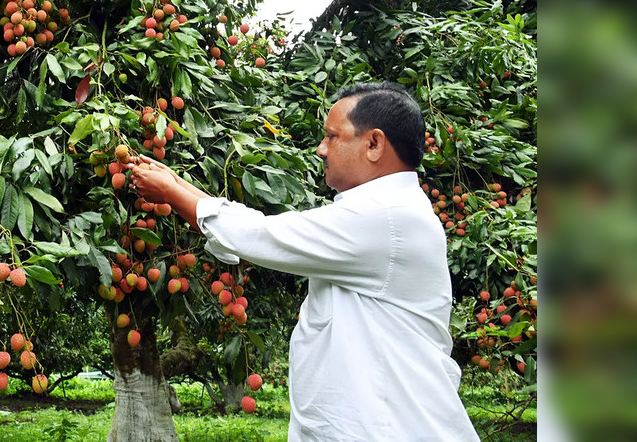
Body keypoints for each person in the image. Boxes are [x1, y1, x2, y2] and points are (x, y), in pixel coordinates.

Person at [128, 82, 479, 441]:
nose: (321, 149)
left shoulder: (386, 217)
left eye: (331, 136)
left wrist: (171, 191)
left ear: (374, 144)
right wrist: (175, 183)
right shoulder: (386, 212)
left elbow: (264, 236)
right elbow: (260, 231)